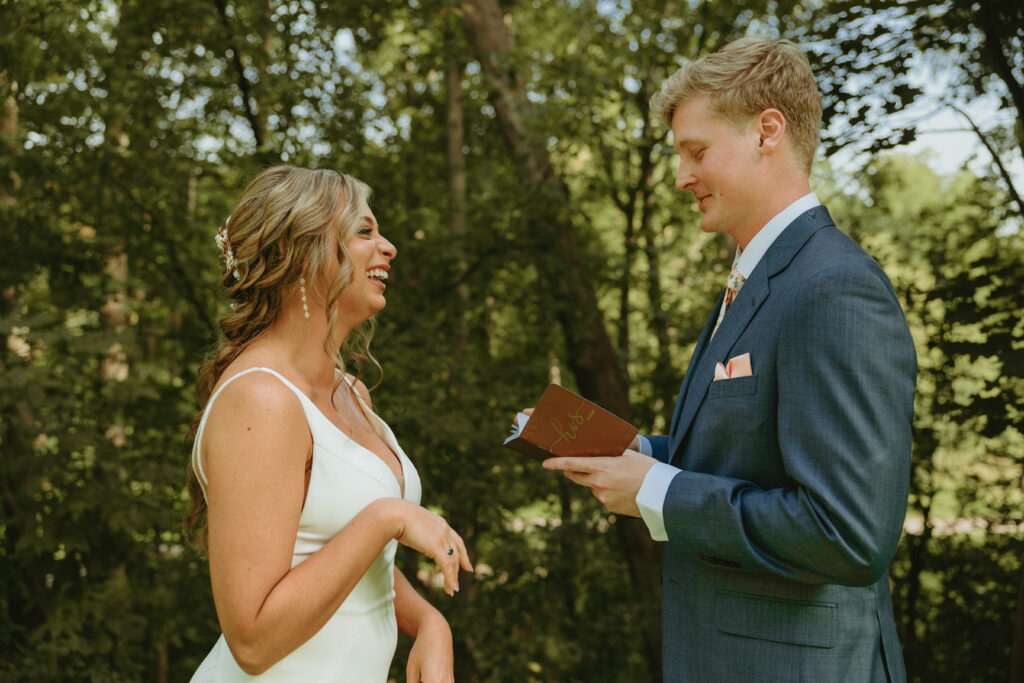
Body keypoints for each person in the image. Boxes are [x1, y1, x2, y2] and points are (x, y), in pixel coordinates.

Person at [542, 38, 916, 681]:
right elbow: (748, 459)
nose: (683, 176)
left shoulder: (832, 286)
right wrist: (637, 453)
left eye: (697, 151)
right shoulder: (758, 278)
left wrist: (658, 491)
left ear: (768, 132)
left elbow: (848, 535)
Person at [184, 166, 471, 683]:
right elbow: (251, 641)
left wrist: (428, 621)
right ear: (305, 253)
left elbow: (345, 553)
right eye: (364, 232)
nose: (389, 247)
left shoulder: (350, 392)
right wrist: (388, 516)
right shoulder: (262, 400)